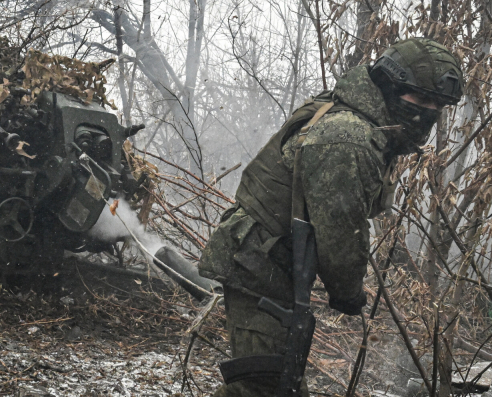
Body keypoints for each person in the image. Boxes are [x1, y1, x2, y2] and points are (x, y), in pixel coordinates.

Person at [199, 37, 464, 397]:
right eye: (419, 98)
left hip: (273, 258)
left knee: (275, 383)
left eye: (437, 104)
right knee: (263, 386)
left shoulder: (357, 117)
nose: (427, 112)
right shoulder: (349, 136)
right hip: (259, 261)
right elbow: (341, 230)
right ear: (389, 86)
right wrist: (347, 293)